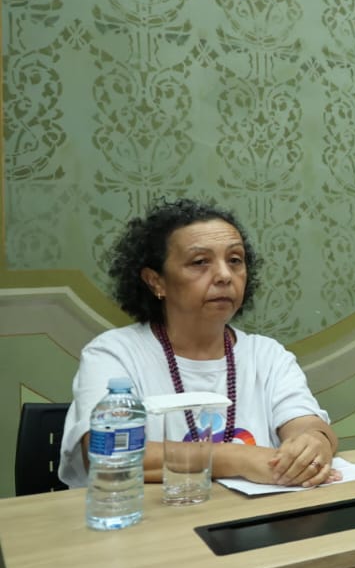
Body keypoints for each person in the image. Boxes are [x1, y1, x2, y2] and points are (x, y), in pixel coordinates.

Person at [58, 199, 340, 489]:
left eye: (235, 260)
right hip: (149, 523)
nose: (224, 276)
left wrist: (313, 443)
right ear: (156, 281)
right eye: (200, 262)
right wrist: (237, 458)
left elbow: (308, 424)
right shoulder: (113, 354)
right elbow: (109, 453)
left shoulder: (267, 355)